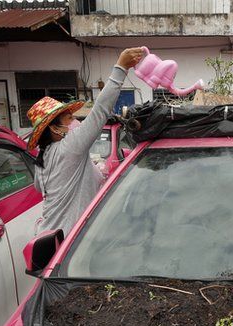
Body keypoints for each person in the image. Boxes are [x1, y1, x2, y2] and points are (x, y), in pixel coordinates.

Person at [27, 46, 145, 234]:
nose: (76, 121)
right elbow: (100, 111)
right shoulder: (70, 146)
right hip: (68, 240)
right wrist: (121, 68)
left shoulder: (44, 156)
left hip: (47, 236)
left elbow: (42, 186)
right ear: (54, 128)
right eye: (69, 118)